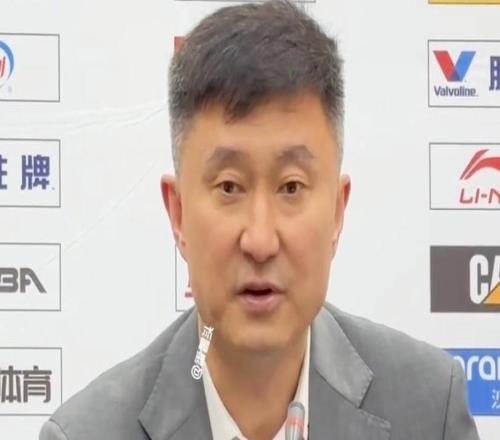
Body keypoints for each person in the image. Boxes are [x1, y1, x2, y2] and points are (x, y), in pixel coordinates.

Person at [39, 1, 480, 439]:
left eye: (291, 187)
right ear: (178, 214)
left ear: (336, 211)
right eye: (230, 187)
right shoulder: (87, 433)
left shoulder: (428, 410)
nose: (261, 241)